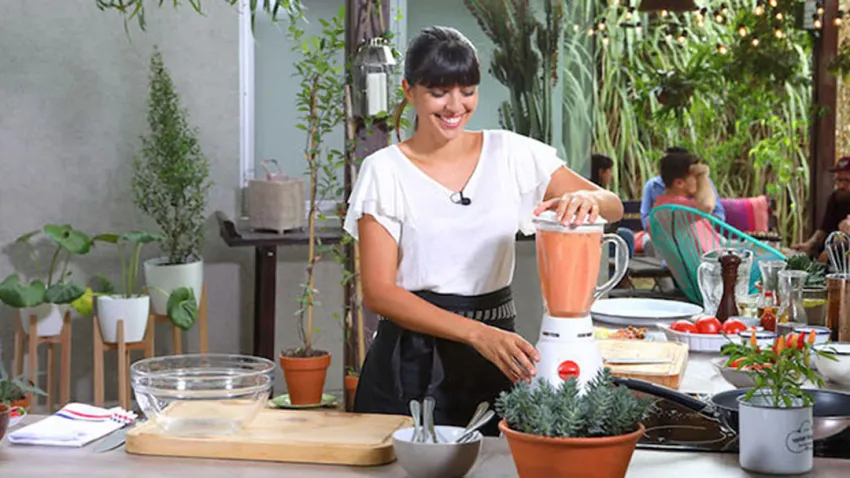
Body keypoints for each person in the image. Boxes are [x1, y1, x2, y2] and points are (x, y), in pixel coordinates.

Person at [343, 26, 624, 437]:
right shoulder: (384, 171)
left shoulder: (511, 153)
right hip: (411, 364)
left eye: (467, 90)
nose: (455, 105)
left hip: (497, 357)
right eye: (439, 92)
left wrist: (588, 202)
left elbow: (611, 203)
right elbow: (380, 292)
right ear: (409, 90)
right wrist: (477, 334)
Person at [640, 147, 725, 230]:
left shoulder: (663, 206)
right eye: (695, 176)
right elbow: (707, 205)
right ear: (679, 183)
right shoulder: (677, 208)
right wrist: (702, 174)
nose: (700, 182)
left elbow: (718, 214)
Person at [794, 156, 850, 261]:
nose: (841, 185)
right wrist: (809, 245)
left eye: (847, 180)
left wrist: (831, 251)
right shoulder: (835, 198)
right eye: (838, 180)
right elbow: (824, 229)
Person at [590, 153, 635, 258]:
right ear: (601, 172)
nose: (611, 175)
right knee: (626, 236)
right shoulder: (597, 195)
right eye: (610, 171)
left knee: (625, 234)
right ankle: (621, 271)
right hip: (597, 236)